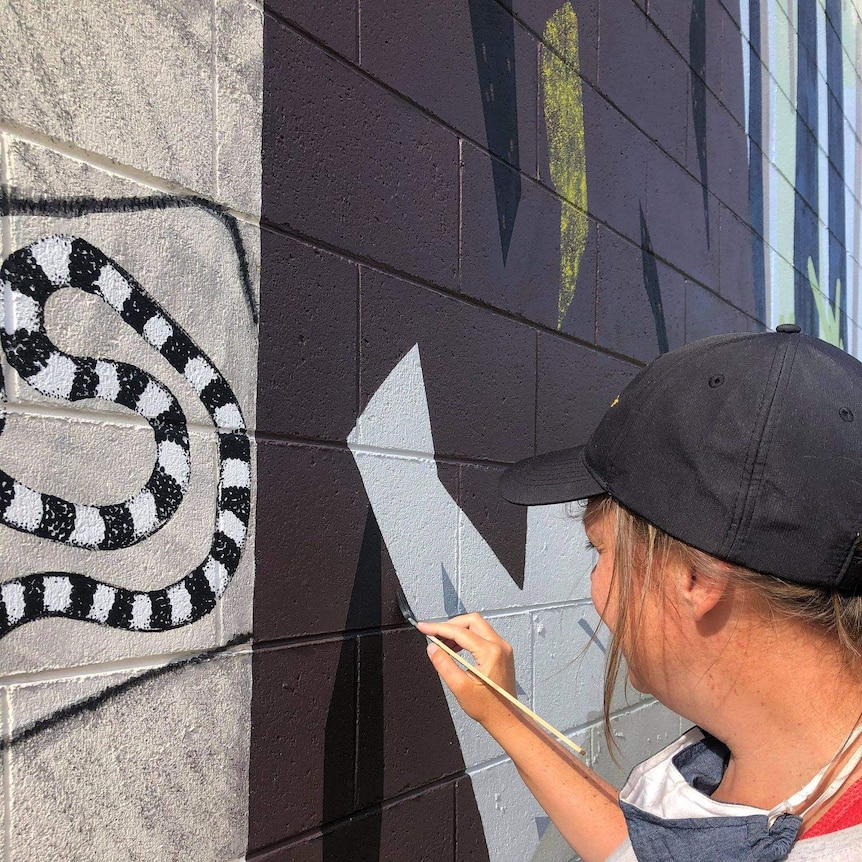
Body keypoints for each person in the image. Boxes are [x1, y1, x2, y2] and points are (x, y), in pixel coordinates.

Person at [417, 326, 862, 861]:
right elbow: (644, 850)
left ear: (696, 578)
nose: (595, 587)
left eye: (599, 552)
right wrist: (505, 715)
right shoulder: (770, 764)